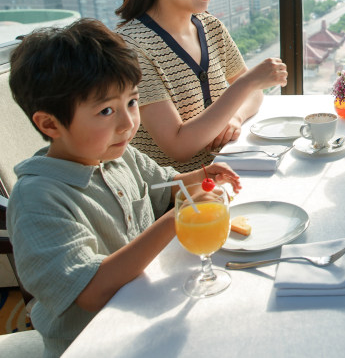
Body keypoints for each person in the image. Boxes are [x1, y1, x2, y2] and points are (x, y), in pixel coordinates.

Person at [6, 19, 242, 357]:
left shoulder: (117, 154)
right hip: (93, 343)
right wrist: (178, 218)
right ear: (49, 123)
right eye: (106, 111)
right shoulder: (38, 199)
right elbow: (90, 292)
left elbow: (164, 185)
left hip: (142, 313)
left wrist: (202, 174)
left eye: (131, 102)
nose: (128, 122)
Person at [116, 0, 287, 172]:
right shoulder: (132, 48)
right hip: (178, 200)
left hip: (227, 178)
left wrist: (235, 119)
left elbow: (255, 96)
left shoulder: (210, 26)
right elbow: (178, 147)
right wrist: (248, 82)